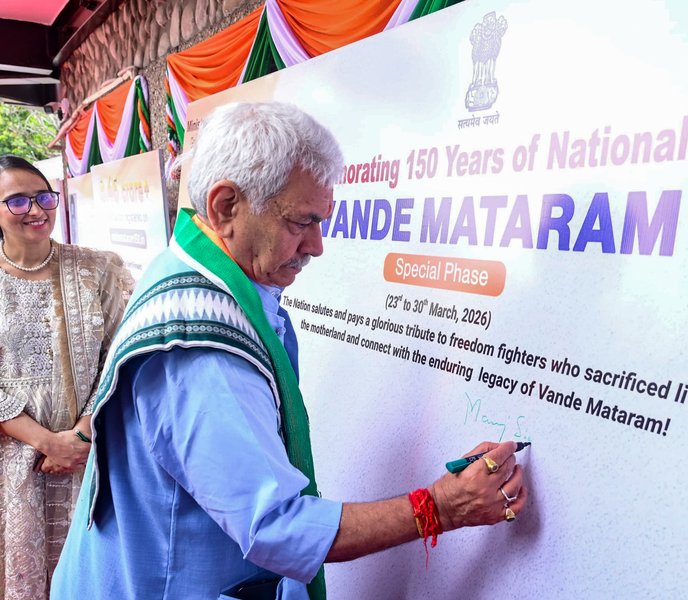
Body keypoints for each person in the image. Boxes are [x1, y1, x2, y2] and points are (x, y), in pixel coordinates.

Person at [51, 102, 529, 600]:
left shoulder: (192, 268)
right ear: (225, 206)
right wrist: (441, 508)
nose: (317, 246)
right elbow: (275, 527)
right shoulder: (201, 355)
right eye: (302, 222)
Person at [0, 155, 133, 600]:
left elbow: (124, 353)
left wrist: (78, 435)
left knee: (90, 577)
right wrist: (44, 440)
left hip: (89, 455)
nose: (36, 210)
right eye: (17, 201)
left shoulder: (99, 269)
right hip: (12, 466)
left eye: (43, 197)